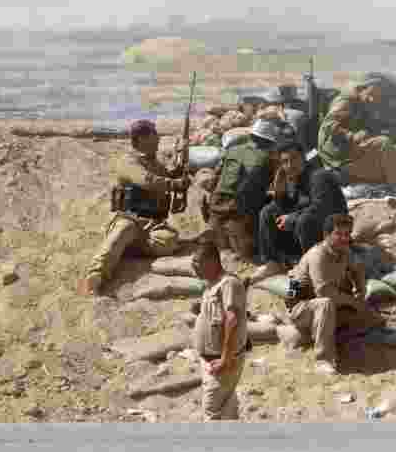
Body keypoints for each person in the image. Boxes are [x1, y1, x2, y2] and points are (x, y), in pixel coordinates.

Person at [79, 119, 189, 296]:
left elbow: (167, 174)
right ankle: (95, 275)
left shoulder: (155, 163)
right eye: (154, 135)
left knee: (170, 241)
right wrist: (174, 183)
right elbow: (147, 180)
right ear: (142, 139)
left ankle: (128, 248)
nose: (159, 139)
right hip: (130, 218)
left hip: (152, 224)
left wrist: (180, 169)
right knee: (121, 234)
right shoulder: (128, 162)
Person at [284, 214, 383, 374]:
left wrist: (360, 291)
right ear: (327, 235)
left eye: (347, 234)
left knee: (373, 319)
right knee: (326, 303)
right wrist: (352, 301)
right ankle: (323, 360)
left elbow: (357, 268)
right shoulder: (318, 255)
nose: (344, 238)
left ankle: (322, 333)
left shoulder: (344, 251)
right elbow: (324, 292)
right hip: (300, 307)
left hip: (326, 308)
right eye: (338, 234)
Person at [255, 140, 348, 274]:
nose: (290, 165)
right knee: (268, 211)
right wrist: (279, 194)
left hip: (334, 229)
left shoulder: (319, 176)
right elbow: (291, 206)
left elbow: (321, 207)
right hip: (311, 229)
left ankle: (314, 266)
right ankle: (273, 262)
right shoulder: (295, 178)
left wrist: (291, 218)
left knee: (304, 220)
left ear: (303, 158)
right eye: (285, 162)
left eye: (294, 159)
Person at [205, 118, 283, 264]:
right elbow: (277, 188)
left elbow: (215, 178)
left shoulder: (232, 150)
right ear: (269, 142)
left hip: (216, 205)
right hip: (238, 209)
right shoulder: (268, 158)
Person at [192, 240, 248, 421]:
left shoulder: (228, 284)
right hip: (211, 358)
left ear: (212, 262)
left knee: (211, 409)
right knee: (227, 405)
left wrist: (225, 358)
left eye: (197, 263)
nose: (194, 268)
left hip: (222, 361)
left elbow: (232, 320)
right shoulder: (211, 284)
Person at [316, 78, 396, 186]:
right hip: (336, 157)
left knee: (385, 154)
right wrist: (351, 136)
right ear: (361, 89)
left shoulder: (361, 103)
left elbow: (367, 125)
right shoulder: (345, 102)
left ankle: (393, 185)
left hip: (347, 151)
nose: (371, 99)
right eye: (370, 95)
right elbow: (328, 125)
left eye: (375, 97)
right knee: (383, 143)